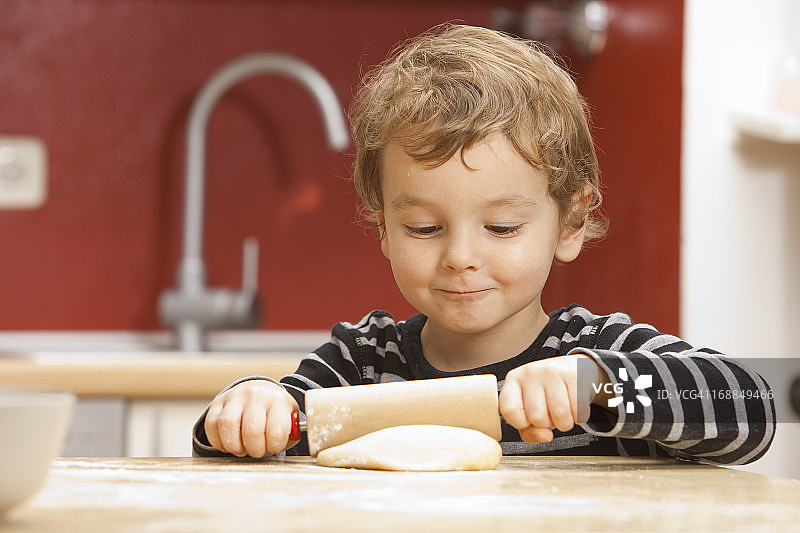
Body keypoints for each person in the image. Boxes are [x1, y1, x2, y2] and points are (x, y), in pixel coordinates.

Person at [193, 24, 774, 464]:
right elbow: (237, 444)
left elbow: (753, 406)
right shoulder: (364, 363)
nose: (460, 256)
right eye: (424, 228)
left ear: (570, 223)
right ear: (383, 231)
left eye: (500, 229)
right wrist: (251, 405)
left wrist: (596, 383)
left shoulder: (593, 350)